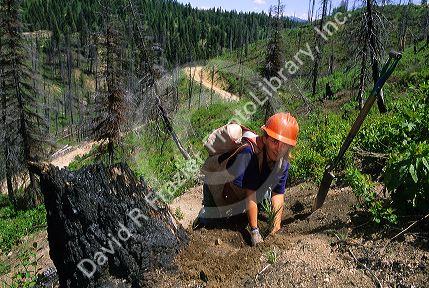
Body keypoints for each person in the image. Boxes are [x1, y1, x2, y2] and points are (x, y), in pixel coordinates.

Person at [196, 112, 299, 246]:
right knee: (211, 220)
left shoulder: (282, 163)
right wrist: (255, 231)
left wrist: (275, 229)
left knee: (265, 197)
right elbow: (251, 195)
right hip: (219, 188)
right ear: (266, 138)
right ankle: (202, 220)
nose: (279, 149)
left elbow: (278, 194)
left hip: (242, 191)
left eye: (284, 145)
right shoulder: (249, 154)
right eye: (275, 142)